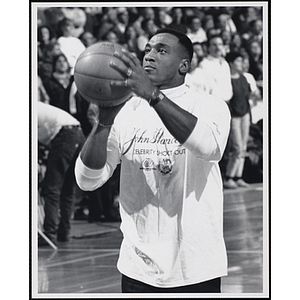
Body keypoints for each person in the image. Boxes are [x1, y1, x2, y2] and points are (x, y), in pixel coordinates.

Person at [75, 28, 230, 293]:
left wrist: (153, 96)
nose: (149, 55)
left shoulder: (208, 105)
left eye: (161, 50)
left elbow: (209, 147)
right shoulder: (127, 112)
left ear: (184, 65)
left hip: (196, 265)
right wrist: (103, 121)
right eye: (147, 49)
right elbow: (87, 180)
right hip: (138, 267)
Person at [38, 102, 85, 245]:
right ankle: (64, 232)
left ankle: (49, 234)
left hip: (64, 136)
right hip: (78, 133)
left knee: (51, 189)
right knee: (67, 189)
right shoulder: (37, 105)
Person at [223, 52, 251, 189]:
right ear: (232, 63)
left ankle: (238, 176)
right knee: (237, 147)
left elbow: (247, 97)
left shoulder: (244, 78)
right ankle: (229, 176)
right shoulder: (227, 79)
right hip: (234, 116)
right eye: (239, 61)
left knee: (243, 146)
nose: (241, 64)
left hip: (245, 115)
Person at [199, 35, 233, 101]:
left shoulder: (225, 64)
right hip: (214, 102)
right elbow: (209, 88)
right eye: (214, 45)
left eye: (220, 44)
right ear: (208, 48)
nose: (217, 48)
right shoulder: (204, 64)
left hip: (228, 103)